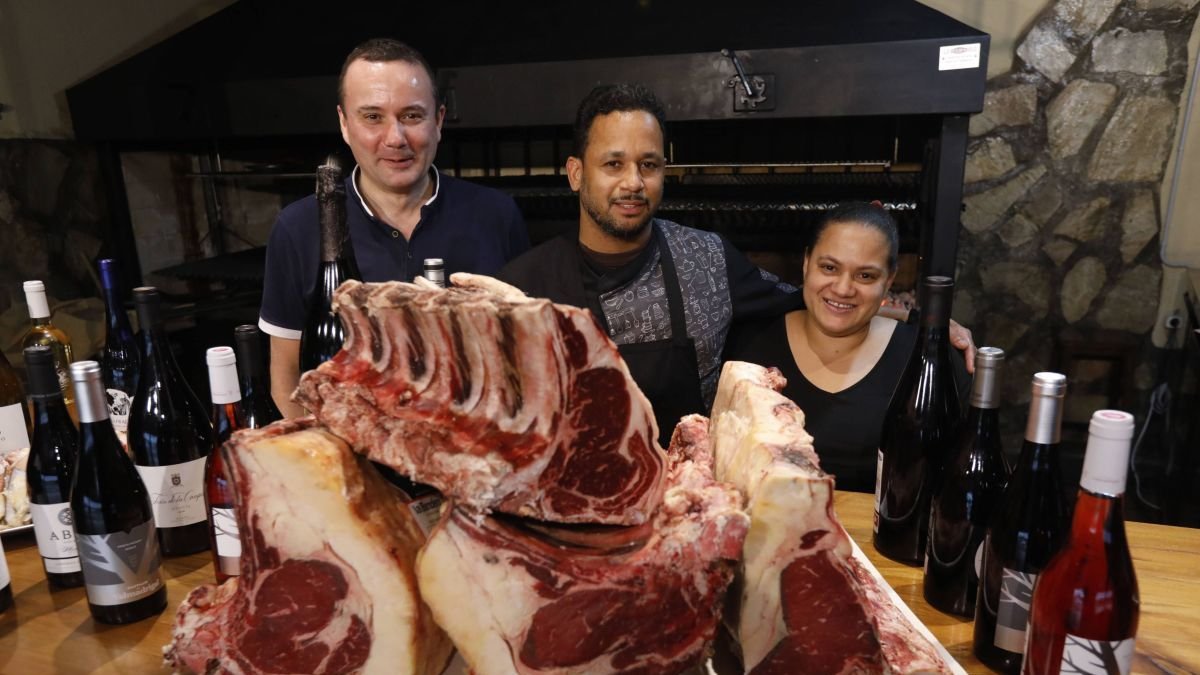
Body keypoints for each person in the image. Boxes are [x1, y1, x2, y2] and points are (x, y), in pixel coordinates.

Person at [499, 84, 797, 445]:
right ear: (576, 174)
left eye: (649, 165)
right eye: (614, 164)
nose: (633, 182)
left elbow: (809, 302)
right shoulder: (520, 288)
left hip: (689, 489)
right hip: (576, 493)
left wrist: (879, 305)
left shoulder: (707, 260)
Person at [259, 38, 530, 417]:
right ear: (344, 123)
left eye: (412, 116)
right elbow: (285, 377)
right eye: (372, 117)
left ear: (438, 121)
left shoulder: (497, 215)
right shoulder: (298, 228)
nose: (394, 138)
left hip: (476, 457)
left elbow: (526, 360)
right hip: (353, 462)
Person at [724, 202, 967, 493]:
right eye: (829, 267)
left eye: (865, 276)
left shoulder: (929, 362)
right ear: (806, 263)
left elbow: (954, 485)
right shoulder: (747, 346)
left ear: (889, 280)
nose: (842, 289)